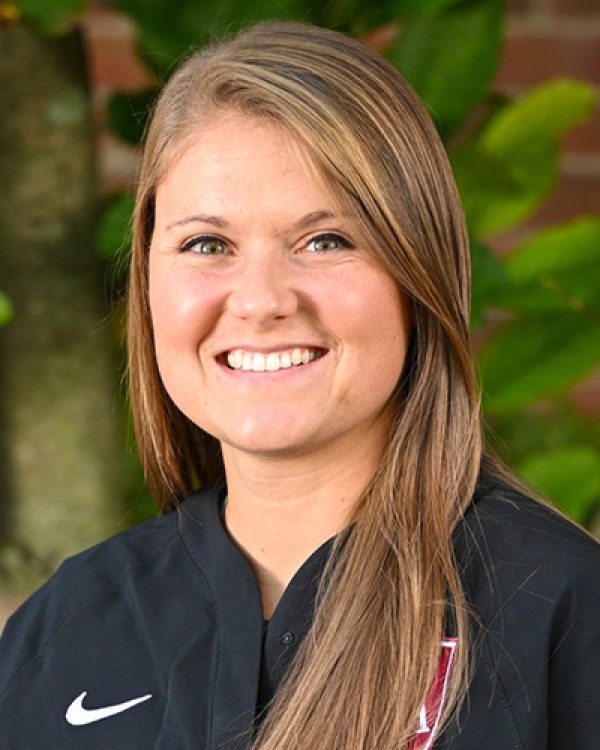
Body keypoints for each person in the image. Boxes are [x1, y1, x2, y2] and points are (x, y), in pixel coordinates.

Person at [1, 20, 599, 750]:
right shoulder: (67, 630)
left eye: (326, 241)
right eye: (207, 244)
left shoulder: (559, 613)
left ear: (421, 276)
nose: (260, 300)